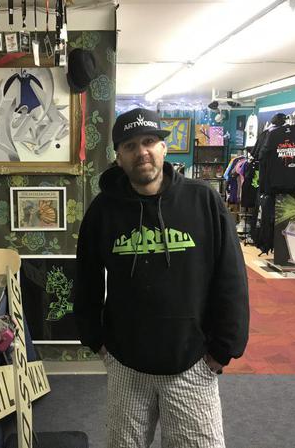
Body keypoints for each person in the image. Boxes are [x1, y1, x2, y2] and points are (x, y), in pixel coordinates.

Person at [75, 108, 249, 448]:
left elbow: (231, 278)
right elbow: (86, 280)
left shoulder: (203, 201)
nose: (141, 152)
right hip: (126, 363)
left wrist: (224, 348)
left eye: (149, 141)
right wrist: (95, 338)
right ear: (118, 156)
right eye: (130, 146)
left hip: (193, 362)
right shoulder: (103, 210)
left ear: (163, 148)